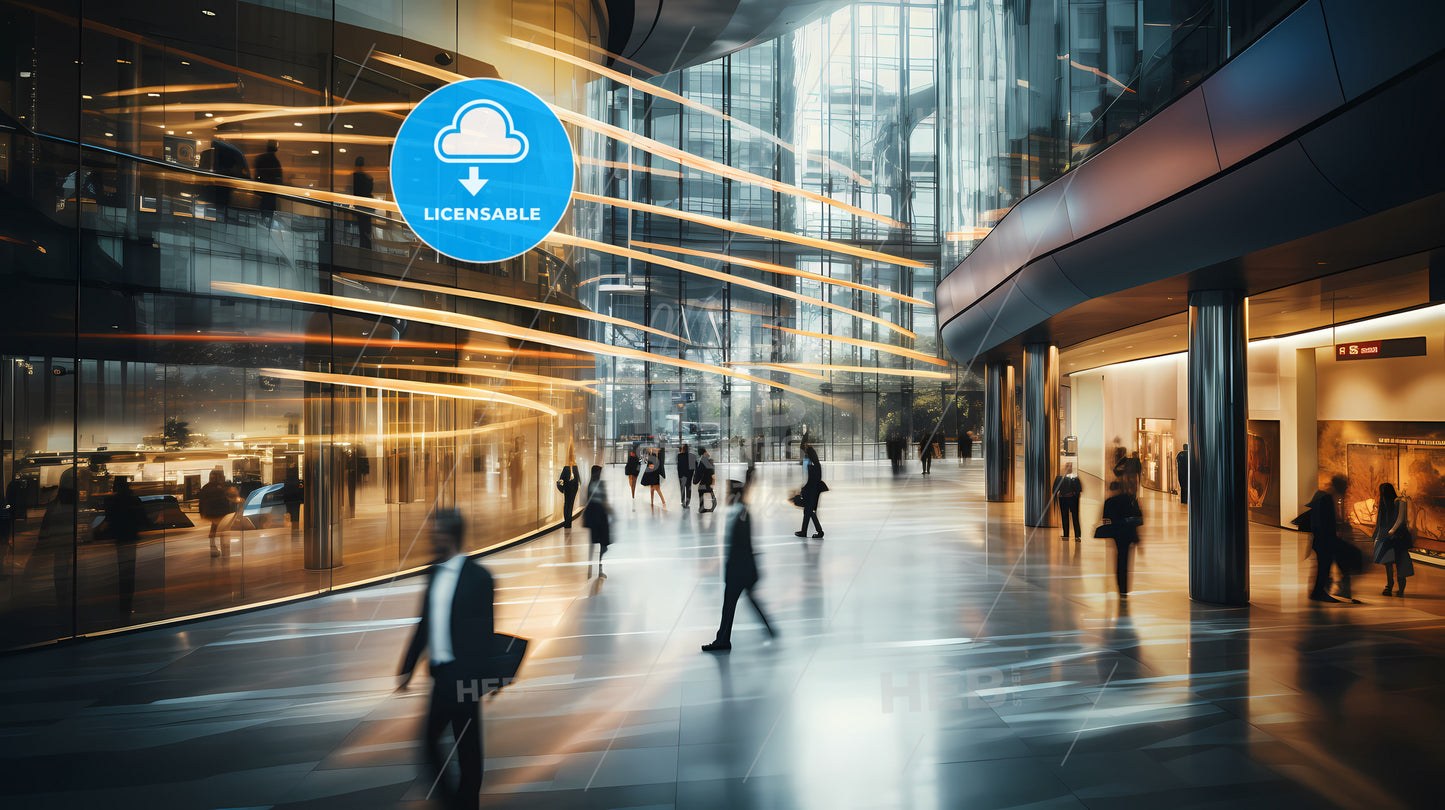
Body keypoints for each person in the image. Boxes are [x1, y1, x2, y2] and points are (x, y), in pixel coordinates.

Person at [397, 509, 494, 810]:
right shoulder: (434, 572)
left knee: (468, 751)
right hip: (441, 677)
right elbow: (425, 622)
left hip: (465, 679)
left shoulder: (479, 578)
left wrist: (485, 678)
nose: (432, 536)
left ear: (451, 534)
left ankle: (467, 804)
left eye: (436, 531)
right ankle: (453, 802)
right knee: (429, 742)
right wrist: (407, 667)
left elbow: (485, 633)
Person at [702, 479, 775, 652]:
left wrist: (731, 568)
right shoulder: (740, 512)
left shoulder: (741, 515)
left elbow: (741, 546)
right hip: (744, 569)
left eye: (728, 493)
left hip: (739, 571)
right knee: (746, 602)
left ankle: (723, 640)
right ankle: (769, 628)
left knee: (729, 607)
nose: (726, 496)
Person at [104, 477, 149, 616]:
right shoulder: (134, 500)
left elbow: (109, 518)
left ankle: (122, 603)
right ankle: (127, 604)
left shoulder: (112, 501)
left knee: (121, 572)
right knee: (129, 573)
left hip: (119, 538)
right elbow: (143, 519)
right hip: (131, 538)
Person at [1309, 474, 1351, 603]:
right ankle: (1319, 592)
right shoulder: (1326, 498)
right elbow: (1325, 522)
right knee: (1324, 566)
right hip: (1324, 540)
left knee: (1323, 566)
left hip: (1321, 539)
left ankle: (1319, 591)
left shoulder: (1322, 496)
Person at [1100, 480, 1143, 599]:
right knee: (1126, 558)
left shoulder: (1109, 501)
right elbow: (1139, 517)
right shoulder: (1130, 499)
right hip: (1129, 533)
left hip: (1117, 533)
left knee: (1119, 558)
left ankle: (1120, 586)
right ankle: (1124, 587)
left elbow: (1105, 519)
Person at [1373, 483, 1414, 596]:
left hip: (1398, 537)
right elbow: (1382, 522)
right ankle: (1391, 586)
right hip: (1390, 536)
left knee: (1398, 562)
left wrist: (1391, 531)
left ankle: (1396, 588)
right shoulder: (1386, 504)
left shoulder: (1399, 502)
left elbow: (1400, 519)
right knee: (1389, 562)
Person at [197, 469, 238, 557]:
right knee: (223, 530)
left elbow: (202, 501)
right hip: (220, 513)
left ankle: (213, 547)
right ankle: (224, 549)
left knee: (215, 529)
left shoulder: (207, 487)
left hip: (211, 513)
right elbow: (225, 499)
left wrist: (202, 512)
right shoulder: (221, 487)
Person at [582, 466, 611, 577]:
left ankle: (593, 569)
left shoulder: (592, 485)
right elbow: (604, 500)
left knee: (596, 544)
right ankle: (597, 568)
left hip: (595, 518)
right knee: (601, 544)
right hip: (599, 518)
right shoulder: (598, 485)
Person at [795, 444, 825, 539]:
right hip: (813, 491)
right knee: (808, 511)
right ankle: (804, 531)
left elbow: (808, 480)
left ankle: (819, 531)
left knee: (809, 511)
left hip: (810, 492)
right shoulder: (816, 465)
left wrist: (803, 490)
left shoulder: (810, 466)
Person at [253, 139, 284, 215]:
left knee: (263, 210)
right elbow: (279, 178)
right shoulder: (275, 161)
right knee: (269, 211)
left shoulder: (260, 158)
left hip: (263, 191)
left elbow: (257, 174)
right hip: (271, 192)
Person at [1054, 463, 1083, 541]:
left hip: (1072, 499)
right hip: (1064, 499)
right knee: (1065, 516)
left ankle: (1077, 535)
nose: (1068, 468)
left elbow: (1079, 490)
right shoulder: (1061, 478)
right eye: (1067, 466)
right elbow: (1055, 489)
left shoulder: (1075, 478)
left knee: (1075, 516)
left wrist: (1074, 495)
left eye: (1070, 467)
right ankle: (1066, 534)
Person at [351, 155, 375, 249]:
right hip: (367, 207)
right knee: (366, 232)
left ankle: (364, 249)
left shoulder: (357, 176)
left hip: (361, 207)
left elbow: (356, 192)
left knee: (363, 232)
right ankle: (367, 249)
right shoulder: (367, 178)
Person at [557, 449, 580, 529]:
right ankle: (567, 522)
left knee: (568, 504)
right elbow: (578, 479)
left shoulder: (569, 467)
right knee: (569, 504)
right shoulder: (571, 467)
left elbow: (562, 478)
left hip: (570, 488)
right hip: (571, 488)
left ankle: (567, 522)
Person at [281, 466, 303, 534]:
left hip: (289, 501)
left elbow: (285, 492)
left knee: (291, 514)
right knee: (296, 515)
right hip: (296, 501)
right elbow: (300, 491)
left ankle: (293, 529)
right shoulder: (298, 482)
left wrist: (285, 500)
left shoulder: (286, 481)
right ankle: (295, 528)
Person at [695, 449, 717, 513]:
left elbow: (700, 473)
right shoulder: (708, 461)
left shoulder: (704, 461)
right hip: (707, 482)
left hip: (705, 482)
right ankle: (713, 503)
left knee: (701, 491)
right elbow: (712, 475)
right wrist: (712, 483)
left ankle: (702, 508)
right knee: (708, 491)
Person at [676, 443, 697, 509]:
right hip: (689, 475)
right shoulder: (693, 456)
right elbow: (695, 467)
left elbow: (678, 467)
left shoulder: (679, 456)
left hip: (682, 475)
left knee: (682, 488)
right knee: (688, 488)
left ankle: (683, 502)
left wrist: (679, 475)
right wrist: (693, 475)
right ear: (689, 449)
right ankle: (688, 502)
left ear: (683, 449)